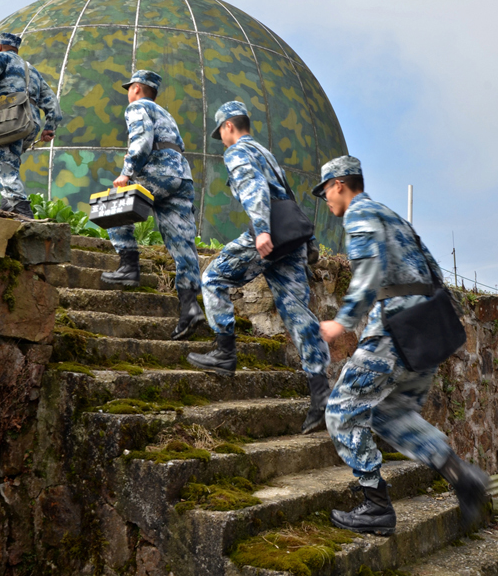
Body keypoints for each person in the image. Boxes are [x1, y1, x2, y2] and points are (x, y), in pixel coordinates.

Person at [315, 155, 489, 535]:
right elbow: (433, 270)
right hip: (425, 331)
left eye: (326, 189)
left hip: (395, 330)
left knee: (342, 409)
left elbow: (368, 271)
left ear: (340, 185)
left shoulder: (359, 214)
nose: (325, 198)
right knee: (390, 414)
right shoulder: (392, 216)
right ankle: (462, 476)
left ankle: (376, 505)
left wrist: (342, 321)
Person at [187, 101, 331, 435]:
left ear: (228, 127)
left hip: (268, 236)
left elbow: (254, 190)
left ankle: (225, 352)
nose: (221, 140)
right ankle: (321, 397)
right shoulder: (266, 152)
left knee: (212, 278)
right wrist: (307, 243)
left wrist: (262, 229)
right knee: (298, 314)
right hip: (292, 241)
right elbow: (288, 196)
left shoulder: (237, 151)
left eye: (221, 134)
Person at [101, 70, 204, 340]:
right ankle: (190, 306)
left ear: (136, 88)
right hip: (181, 177)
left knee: (114, 206)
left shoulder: (137, 107)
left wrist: (127, 172)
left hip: (157, 172)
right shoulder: (165, 113)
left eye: (129, 88)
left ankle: (128, 267)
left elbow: (142, 140)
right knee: (182, 241)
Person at [0, 32, 62, 218]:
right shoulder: (31, 70)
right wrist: (49, 128)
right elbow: (53, 103)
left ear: (0, 46)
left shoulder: (0, 57)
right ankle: (7, 207)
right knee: (8, 163)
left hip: (9, 118)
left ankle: (21, 209)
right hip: (30, 124)